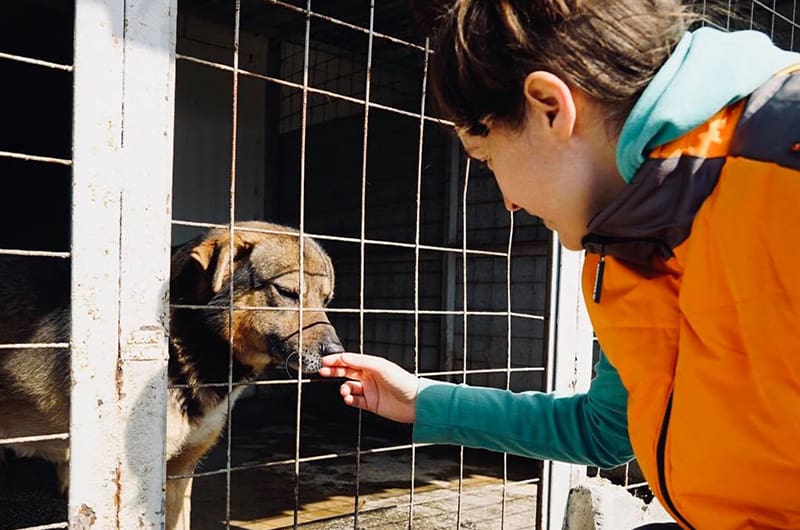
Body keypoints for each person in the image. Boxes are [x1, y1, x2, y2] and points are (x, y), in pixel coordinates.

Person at [319, 1, 800, 528]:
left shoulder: (782, 160)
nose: (506, 200)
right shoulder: (625, 244)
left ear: (550, 106)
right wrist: (425, 401)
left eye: (486, 159)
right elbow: (604, 429)